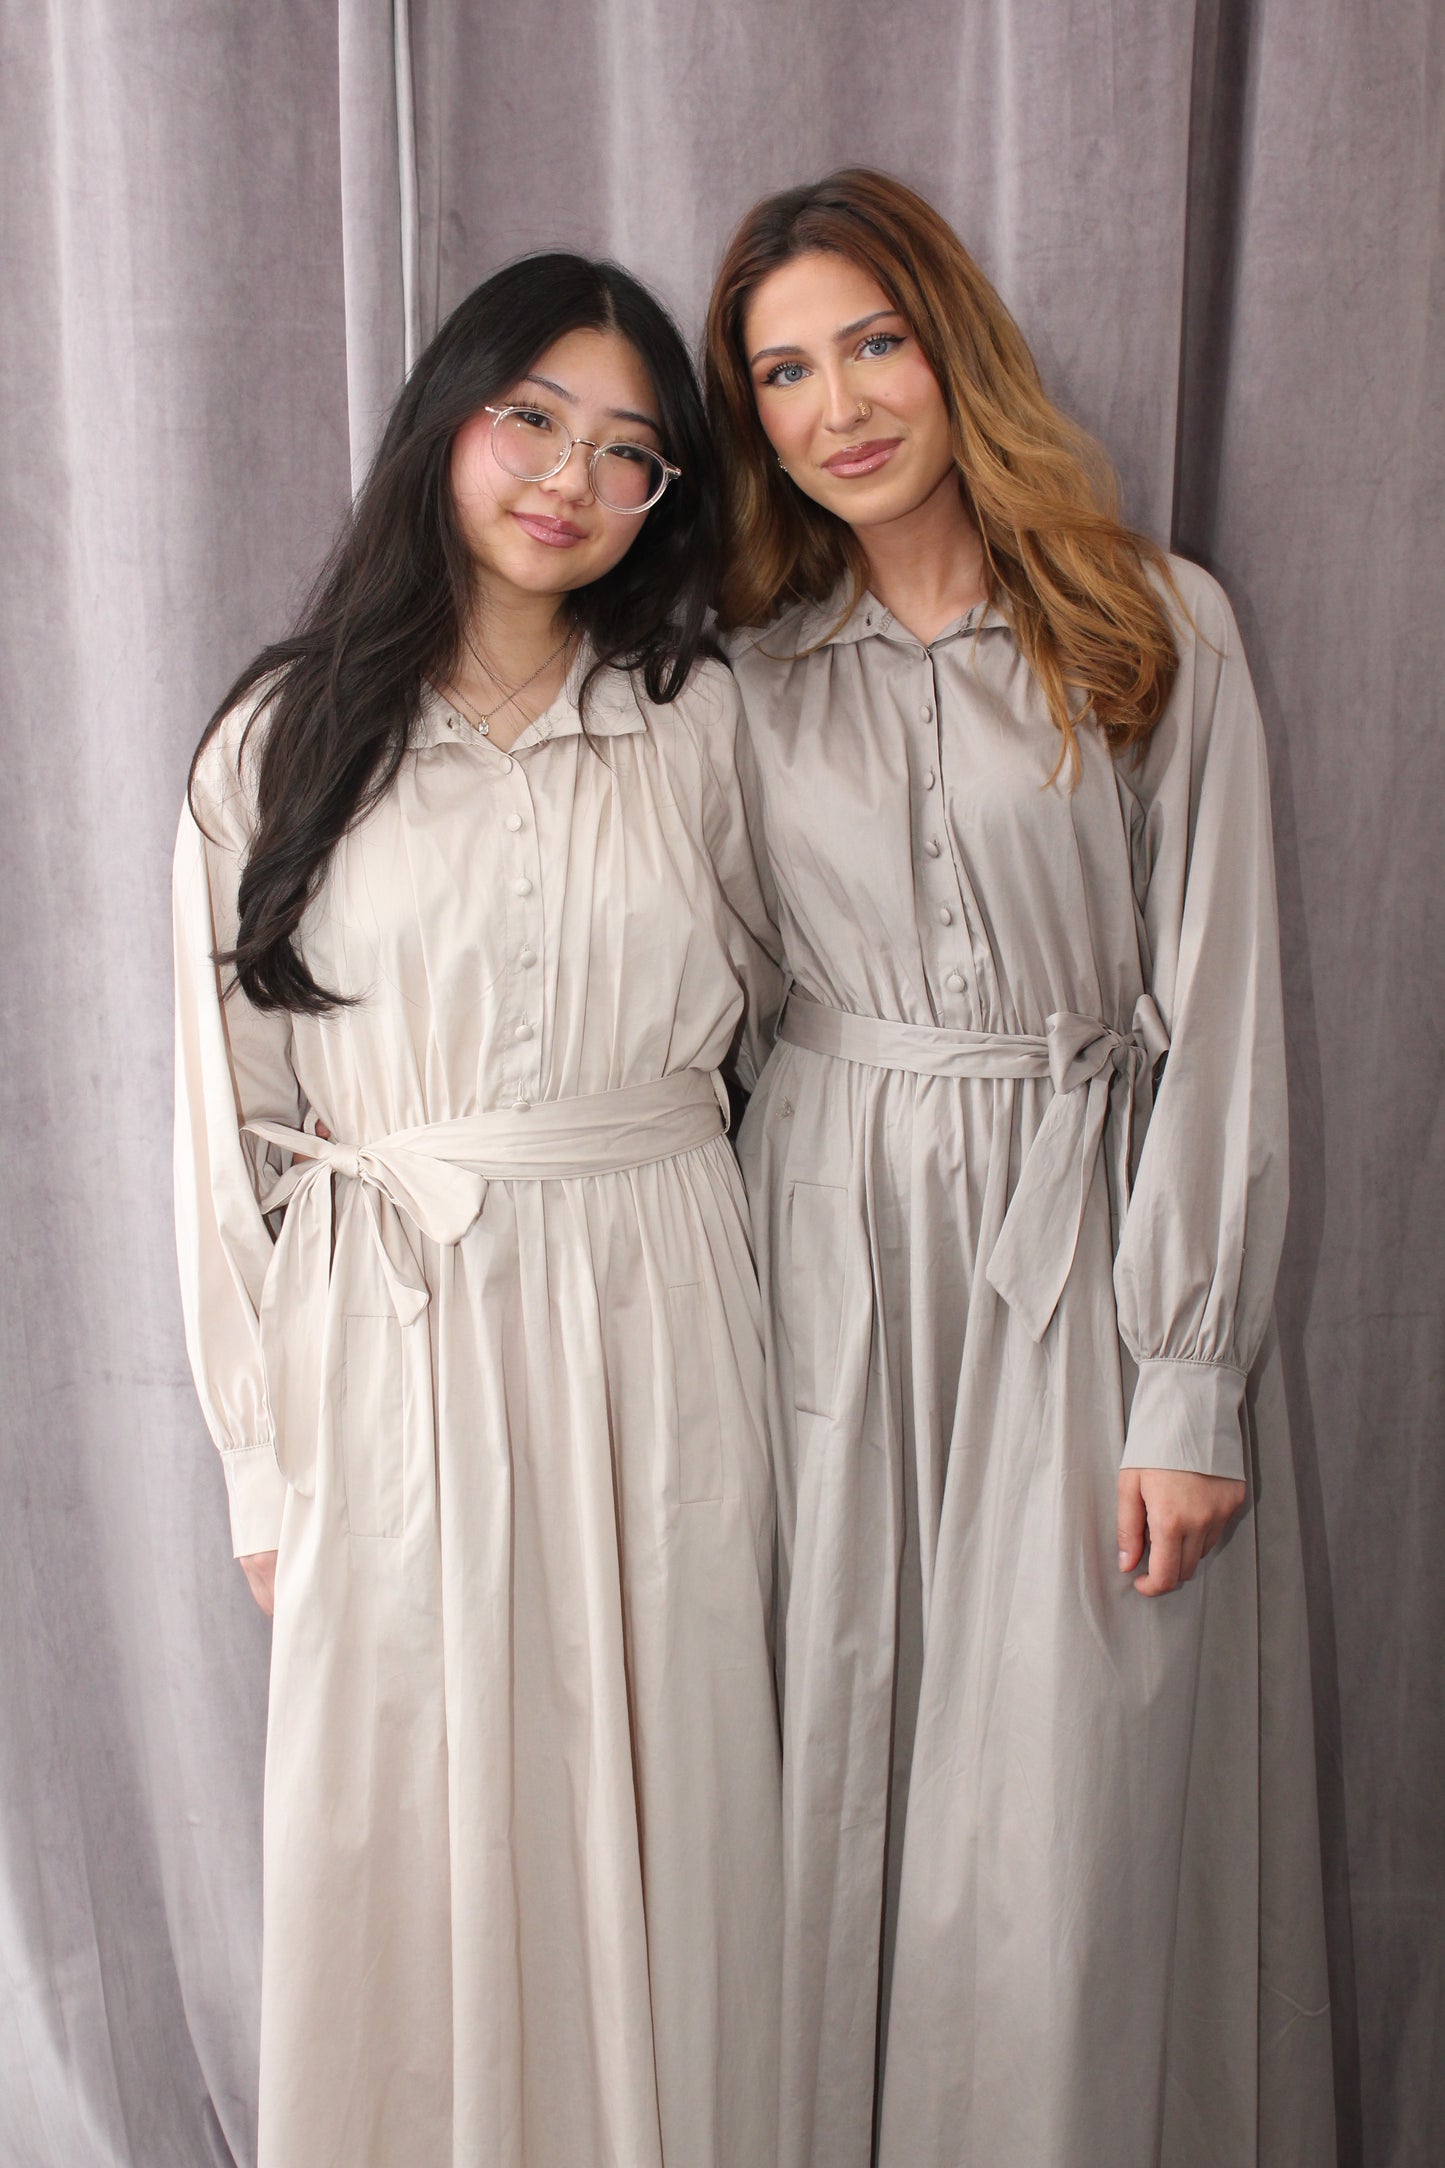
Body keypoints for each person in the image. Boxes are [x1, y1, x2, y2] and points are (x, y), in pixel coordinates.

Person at [704, 169, 1334, 2167]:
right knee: (826, 1769)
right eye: (783, 373)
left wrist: (1189, 1375)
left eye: (872, 343)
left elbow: (1220, 1007)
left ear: (951, 345)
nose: (837, 407)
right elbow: (709, 1002)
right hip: (824, 1252)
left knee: (1056, 1827)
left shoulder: (1152, 621)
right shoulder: (743, 673)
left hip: (1081, 1248)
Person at [174, 252, 782, 2168]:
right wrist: (262, 1459)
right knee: (412, 1823)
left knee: (668, 1795)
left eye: (628, 452)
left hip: (660, 1311)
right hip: (391, 1333)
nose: (568, 480)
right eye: (533, 419)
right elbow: (225, 1129)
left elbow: (798, 1032)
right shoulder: (281, 742)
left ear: (664, 495)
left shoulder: (701, 724)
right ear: (448, 416)